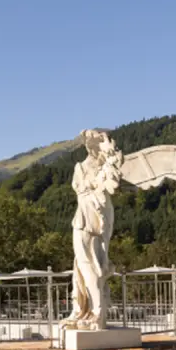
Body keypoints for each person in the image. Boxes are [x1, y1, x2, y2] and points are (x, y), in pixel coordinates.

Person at [64, 129, 122, 330]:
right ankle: (83, 310)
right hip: (83, 218)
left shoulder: (107, 168)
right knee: (81, 267)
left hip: (97, 217)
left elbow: (109, 185)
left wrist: (111, 159)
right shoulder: (81, 167)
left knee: (92, 266)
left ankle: (96, 312)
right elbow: (81, 188)